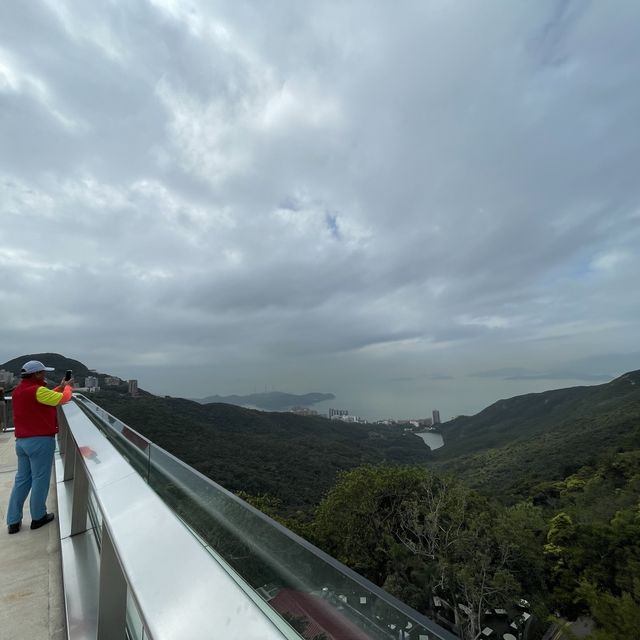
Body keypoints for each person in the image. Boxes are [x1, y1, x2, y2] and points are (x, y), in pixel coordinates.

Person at [6, 360, 73, 534]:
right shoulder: (37, 390)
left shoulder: (18, 390)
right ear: (36, 374)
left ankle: (13, 521)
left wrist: (59, 387)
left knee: (22, 480)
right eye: (43, 372)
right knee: (40, 479)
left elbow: (44, 398)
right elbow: (64, 399)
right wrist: (68, 387)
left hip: (22, 442)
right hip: (40, 441)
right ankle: (38, 517)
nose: (45, 375)